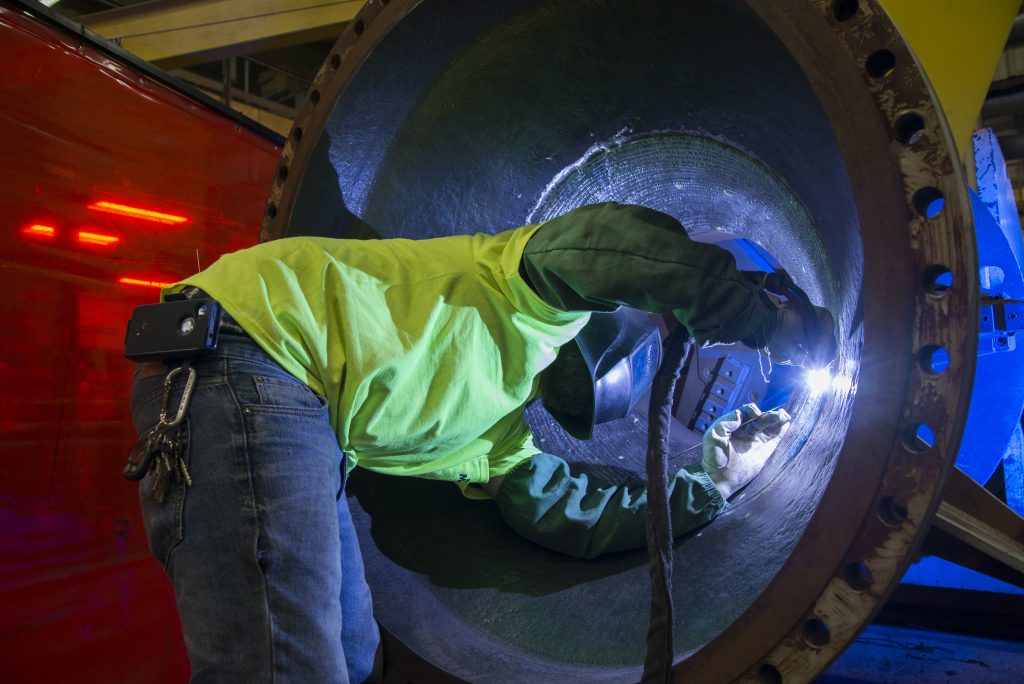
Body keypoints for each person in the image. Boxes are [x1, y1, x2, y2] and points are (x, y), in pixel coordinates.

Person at [128, 202, 835, 683]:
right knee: (284, 666)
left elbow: (564, 511)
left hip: (300, 413)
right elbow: (617, 247)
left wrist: (712, 485)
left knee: (351, 656)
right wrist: (758, 316)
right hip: (253, 353)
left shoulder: (495, 433)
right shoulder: (525, 284)